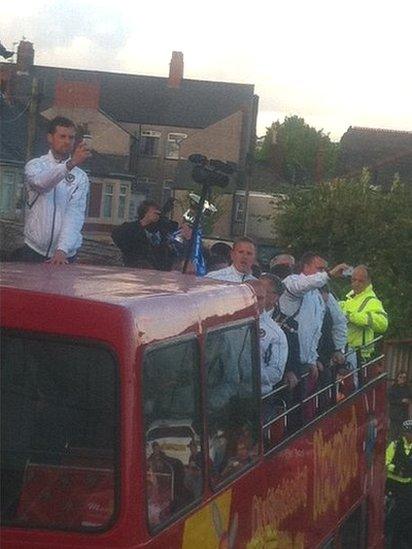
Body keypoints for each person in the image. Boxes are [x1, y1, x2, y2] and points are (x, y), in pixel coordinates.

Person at [11, 116, 90, 265]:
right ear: (50, 137)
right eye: (62, 136)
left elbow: (75, 214)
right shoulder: (35, 165)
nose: (67, 141)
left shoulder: (81, 177)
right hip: (34, 250)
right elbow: (41, 183)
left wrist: (62, 250)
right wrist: (70, 164)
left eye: (71, 137)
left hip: (66, 255)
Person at [340, 265, 388, 362]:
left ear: (368, 281)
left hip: (360, 355)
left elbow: (383, 324)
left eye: (360, 281)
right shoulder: (349, 300)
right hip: (345, 352)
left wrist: (352, 317)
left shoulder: (372, 301)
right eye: (354, 280)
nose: (356, 283)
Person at [111, 200, 178, 270]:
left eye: (158, 213)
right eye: (154, 212)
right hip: (137, 272)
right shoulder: (133, 229)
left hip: (160, 273)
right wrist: (144, 222)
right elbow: (116, 234)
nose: (157, 215)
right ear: (145, 213)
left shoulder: (163, 230)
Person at [385, 419, 412, 547]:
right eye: (407, 432)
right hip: (392, 486)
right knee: (391, 517)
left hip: (407, 488)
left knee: (406, 517)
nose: (409, 435)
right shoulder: (395, 445)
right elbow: (385, 462)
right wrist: (396, 468)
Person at [388, 372, 412, 441]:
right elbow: (390, 400)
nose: (402, 379)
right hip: (395, 416)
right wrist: (401, 401)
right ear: (397, 378)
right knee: (393, 436)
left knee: (402, 436)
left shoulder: (408, 389)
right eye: (400, 377)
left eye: (404, 378)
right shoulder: (393, 388)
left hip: (404, 416)